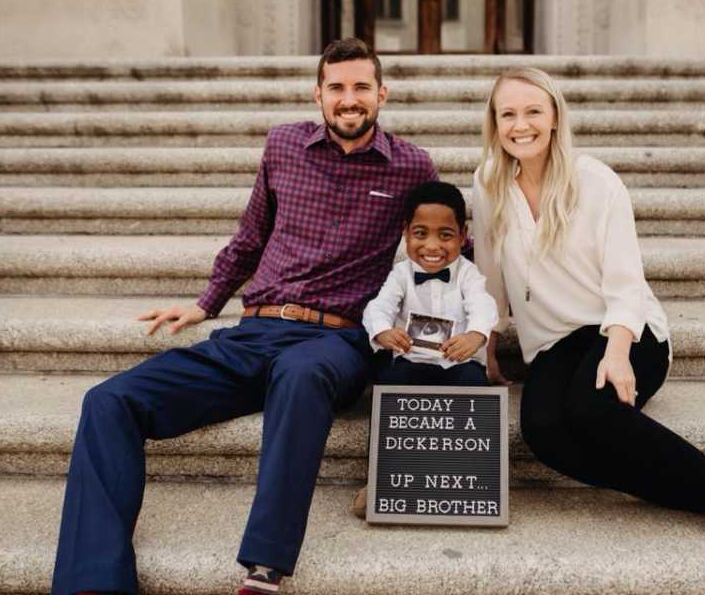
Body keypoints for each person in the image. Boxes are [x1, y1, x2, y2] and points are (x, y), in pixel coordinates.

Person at [51, 38, 438, 595]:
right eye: (336, 88)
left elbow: (446, 247)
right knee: (108, 402)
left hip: (335, 340)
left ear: (382, 93)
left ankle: (265, 570)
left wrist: (476, 329)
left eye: (360, 87)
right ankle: (94, 582)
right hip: (255, 331)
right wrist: (207, 302)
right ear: (319, 95)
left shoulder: (412, 166)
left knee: (300, 374)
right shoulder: (283, 146)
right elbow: (251, 236)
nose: (348, 99)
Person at [471, 67, 705, 556]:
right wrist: (486, 348)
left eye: (533, 111)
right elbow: (488, 279)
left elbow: (626, 283)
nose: (520, 125)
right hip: (553, 344)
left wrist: (616, 352)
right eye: (508, 113)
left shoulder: (596, 182)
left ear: (554, 119)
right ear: (494, 122)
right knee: (544, 433)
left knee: (591, 410)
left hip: (628, 331)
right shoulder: (487, 183)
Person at [362, 180, 498, 387]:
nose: (432, 246)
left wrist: (475, 334)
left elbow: (483, 304)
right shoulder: (401, 274)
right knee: (391, 381)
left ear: (462, 236)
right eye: (420, 233)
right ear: (406, 233)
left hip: (459, 362)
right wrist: (382, 330)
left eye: (445, 235)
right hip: (411, 359)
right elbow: (379, 306)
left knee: (473, 381)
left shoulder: (468, 273)